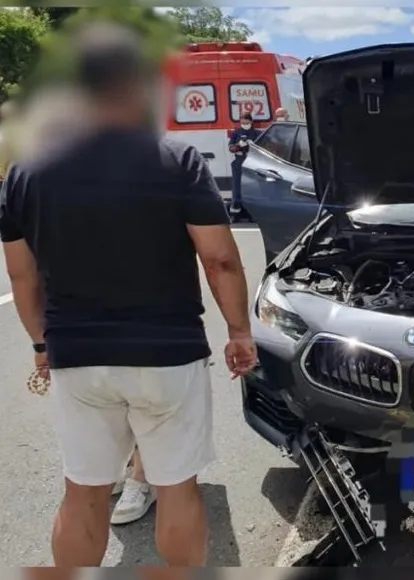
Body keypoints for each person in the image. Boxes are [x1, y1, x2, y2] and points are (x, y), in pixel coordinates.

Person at [0, 23, 257, 567]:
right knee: (177, 490)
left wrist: (42, 345)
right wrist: (238, 331)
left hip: (78, 359)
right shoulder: (176, 159)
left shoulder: (26, 171)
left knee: (84, 494)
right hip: (168, 358)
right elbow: (219, 258)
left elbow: (23, 278)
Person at [228, 112, 261, 216]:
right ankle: (235, 212)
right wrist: (238, 145)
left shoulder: (257, 133)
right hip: (239, 160)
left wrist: (253, 145)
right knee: (237, 186)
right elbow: (231, 148)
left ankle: (251, 213)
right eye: (241, 119)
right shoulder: (236, 133)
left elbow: (263, 148)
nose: (243, 121)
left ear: (251, 121)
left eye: (246, 119)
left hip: (252, 161)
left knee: (253, 187)